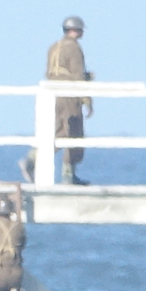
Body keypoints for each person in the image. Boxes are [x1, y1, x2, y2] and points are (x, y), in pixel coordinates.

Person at [47, 16, 93, 185]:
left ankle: (32, 160)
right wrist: (87, 99)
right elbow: (77, 75)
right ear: (74, 31)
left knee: (57, 131)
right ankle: (68, 175)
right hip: (69, 95)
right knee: (73, 132)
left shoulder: (54, 47)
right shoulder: (74, 48)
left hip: (54, 94)